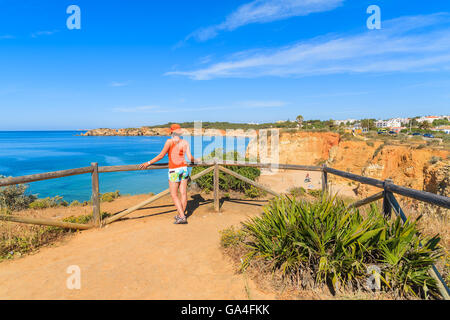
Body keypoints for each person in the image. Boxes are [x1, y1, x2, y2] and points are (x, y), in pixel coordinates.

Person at [139, 124, 198, 224]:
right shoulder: (185, 142)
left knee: (174, 195)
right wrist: (197, 160)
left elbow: (161, 155)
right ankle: (180, 214)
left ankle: (182, 217)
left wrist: (148, 163)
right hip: (184, 169)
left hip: (174, 170)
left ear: (171, 132)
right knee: (183, 193)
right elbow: (190, 157)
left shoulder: (169, 142)